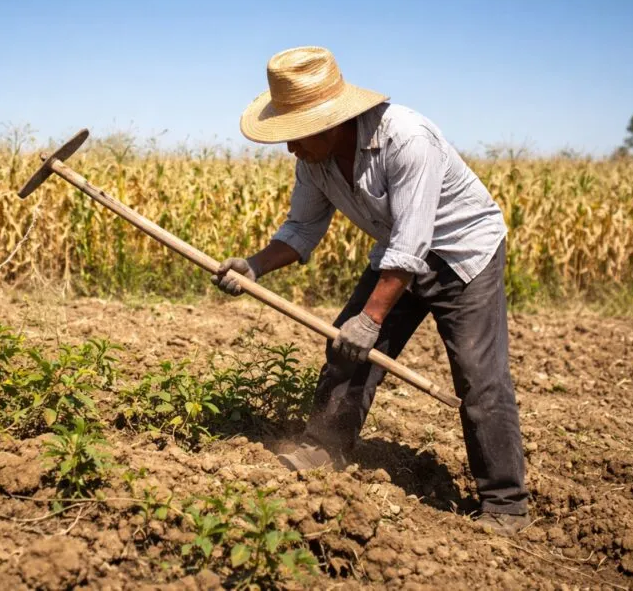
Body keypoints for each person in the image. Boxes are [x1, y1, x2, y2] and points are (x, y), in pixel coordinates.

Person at [212, 45, 530, 535]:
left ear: (329, 122)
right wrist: (255, 266)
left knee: (478, 376)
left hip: (463, 256)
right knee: (345, 347)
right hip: (399, 254)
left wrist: (372, 318)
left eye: (295, 136)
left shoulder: (407, 138)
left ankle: (506, 504)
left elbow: (414, 241)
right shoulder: (314, 161)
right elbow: (300, 230)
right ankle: (324, 448)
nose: (289, 148)